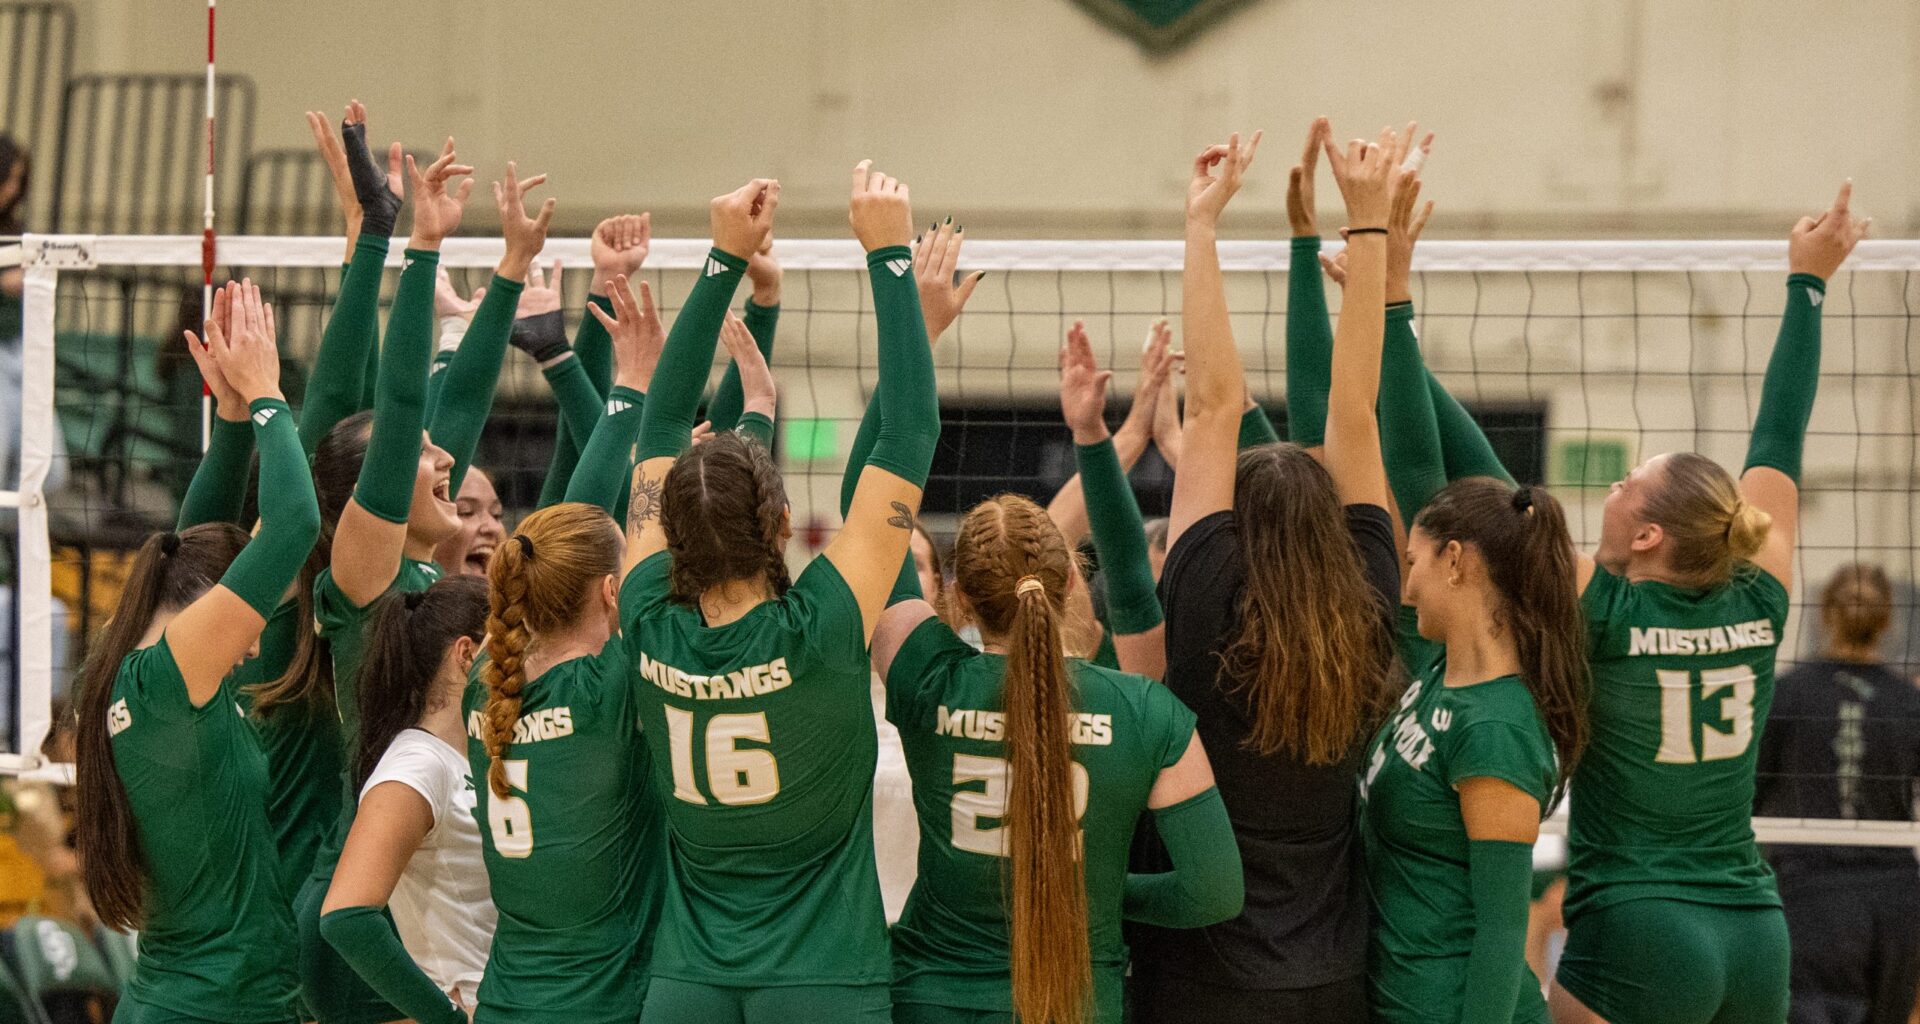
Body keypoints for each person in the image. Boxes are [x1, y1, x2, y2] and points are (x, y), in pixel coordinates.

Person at [614, 163, 933, 1023]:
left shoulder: (645, 617)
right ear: (784, 519)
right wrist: (891, 256)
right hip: (825, 982)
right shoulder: (825, 625)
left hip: (688, 985)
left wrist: (720, 257)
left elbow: (654, 424)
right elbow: (908, 430)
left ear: (666, 531)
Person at [1549, 183, 1870, 1024]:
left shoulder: (1606, 610)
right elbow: (1779, 434)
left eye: (1627, 484)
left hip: (1640, 925)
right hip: (1757, 932)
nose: (1612, 490)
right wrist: (1810, 282)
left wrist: (1386, 298)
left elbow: (1475, 490)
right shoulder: (1761, 594)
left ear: (1650, 536)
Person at [1127, 126, 1402, 1024]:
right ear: (1333, 528)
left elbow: (1211, 409)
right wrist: (1369, 229)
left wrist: (1201, 223)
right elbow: (1353, 411)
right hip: (1330, 980)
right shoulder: (1368, 593)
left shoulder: (1206, 593)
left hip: (1202, 980)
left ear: (1233, 525)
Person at [286, 134, 549, 1024]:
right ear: (368, 489)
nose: (444, 454)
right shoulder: (362, 581)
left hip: (439, 900)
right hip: (375, 915)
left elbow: (453, 407)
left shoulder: (438, 581)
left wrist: (510, 271)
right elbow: (405, 409)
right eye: (417, 457)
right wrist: (416, 243)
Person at [872, 490, 1242, 1024]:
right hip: (1074, 1002)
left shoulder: (926, 677)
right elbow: (1214, 892)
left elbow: (880, 532)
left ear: (962, 599)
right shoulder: (1145, 710)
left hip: (934, 995)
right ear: (1071, 580)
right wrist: (1106, 888)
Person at [72, 280, 319, 1021]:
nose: (251, 649)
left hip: (190, 1002)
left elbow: (191, 542)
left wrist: (233, 417)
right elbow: (294, 524)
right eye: (249, 623)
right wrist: (270, 395)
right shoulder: (175, 674)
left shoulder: (121, 672)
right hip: (215, 1009)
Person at [1362, 477, 1589, 1024]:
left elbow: (1503, 934)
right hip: (1407, 999)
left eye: (1413, 563)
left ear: (1455, 560)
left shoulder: (1496, 728)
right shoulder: (1442, 671)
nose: (1405, 587)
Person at [319, 575, 495, 1023]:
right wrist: (447, 1018)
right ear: (467, 654)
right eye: (509, 644)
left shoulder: (474, 751)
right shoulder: (416, 763)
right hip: (474, 1003)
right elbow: (346, 915)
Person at [1756, 563, 1920, 1024]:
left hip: (1811, 892)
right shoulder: (1908, 702)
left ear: (1824, 614)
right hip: (1895, 900)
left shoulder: (1787, 694)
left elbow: (1749, 794)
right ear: (1887, 619)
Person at [1049, 320, 1178, 679]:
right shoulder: (1100, 654)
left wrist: (1164, 438)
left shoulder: (1230, 656)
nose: (1158, 612)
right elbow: (1048, 543)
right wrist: (1135, 432)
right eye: (1154, 592)